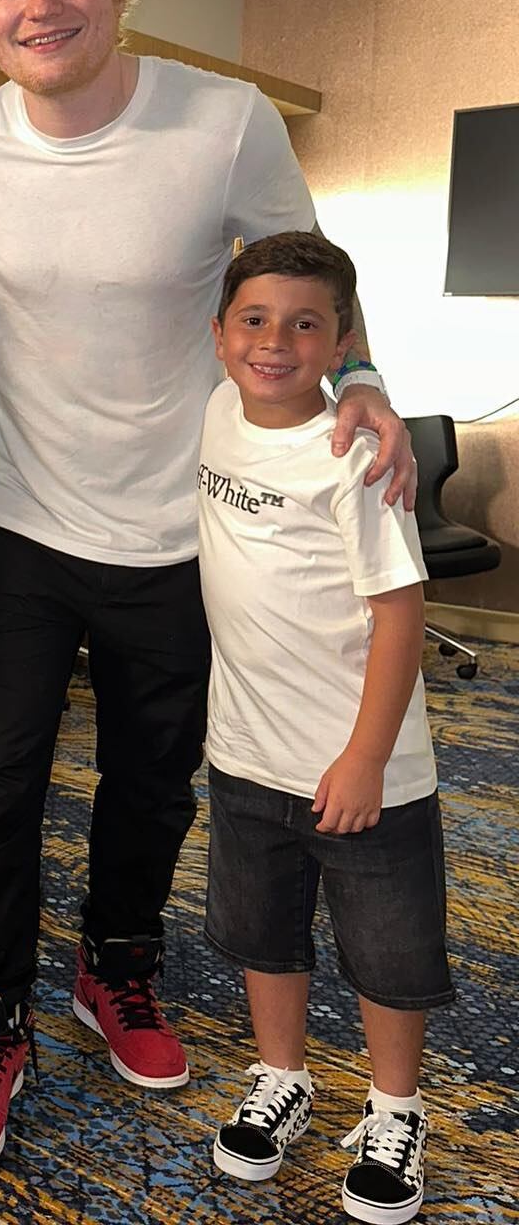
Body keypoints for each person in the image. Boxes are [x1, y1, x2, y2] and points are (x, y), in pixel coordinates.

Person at [0, 0, 417, 1170]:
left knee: (154, 781)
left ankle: (115, 965)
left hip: (186, 532)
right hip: (20, 517)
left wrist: (358, 378)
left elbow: (313, 283)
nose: (44, 0)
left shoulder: (227, 122)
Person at [201, 232, 448, 1225]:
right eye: (254, 321)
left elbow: (402, 614)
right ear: (217, 337)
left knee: (388, 954)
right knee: (266, 934)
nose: (275, 343)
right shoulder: (218, 409)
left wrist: (363, 758)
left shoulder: (356, 453)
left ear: (341, 341)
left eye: (307, 325)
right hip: (247, 756)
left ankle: (397, 1108)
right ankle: (282, 1077)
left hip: (365, 766)